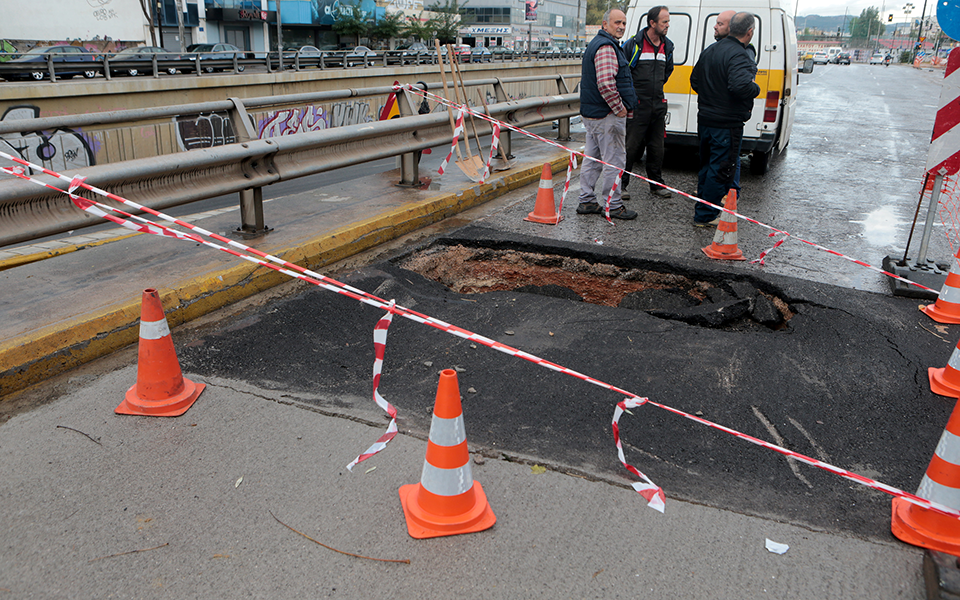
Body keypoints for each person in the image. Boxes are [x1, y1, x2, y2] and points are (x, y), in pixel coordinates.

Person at [689, 11, 760, 226]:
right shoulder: (739, 54)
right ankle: (705, 215)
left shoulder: (711, 50)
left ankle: (703, 208)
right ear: (749, 32)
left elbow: (695, 81)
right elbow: (740, 85)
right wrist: (755, 88)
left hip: (706, 119)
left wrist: (712, 96)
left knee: (707, 167)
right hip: (726, 123)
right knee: (720, 171)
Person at [576, 8, 639, 220]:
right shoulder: (606, 47)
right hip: (606, 116)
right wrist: (619, 108)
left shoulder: (600, 44)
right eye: (616, 22)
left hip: (594, 114)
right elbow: (605, 83)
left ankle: (586, 201)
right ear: (605, 24)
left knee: (592, 159)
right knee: (615, 160)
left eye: (624, 22)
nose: (621, 26)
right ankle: (614, 205)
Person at [620, 6, 675, 201]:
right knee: (631, 147)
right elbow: (623, 72)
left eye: (668, 21)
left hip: (658, 104)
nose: (668, 25)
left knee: (657, 147)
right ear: (652, 23)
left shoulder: (667, 46)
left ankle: (656, 185)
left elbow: (667, 72)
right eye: (664, 22)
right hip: (637, 104)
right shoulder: (634, 45)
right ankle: (621, 185)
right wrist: (630, 99)